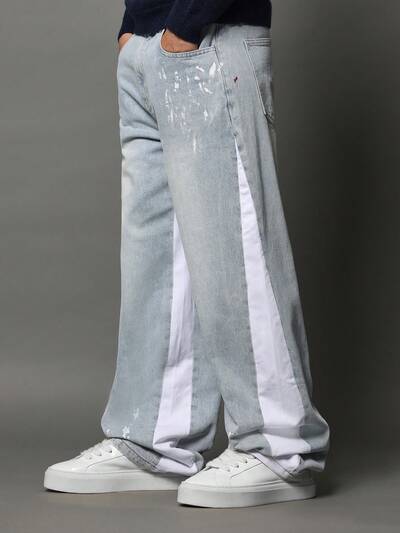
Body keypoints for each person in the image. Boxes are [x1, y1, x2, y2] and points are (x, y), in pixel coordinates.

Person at [44, 0, 329, 508]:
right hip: (151, 46)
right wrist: (133, 28)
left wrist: (188, 23)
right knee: (158, 252)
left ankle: (281, 446)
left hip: (210, 36)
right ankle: (155, 440)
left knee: (236, 245)